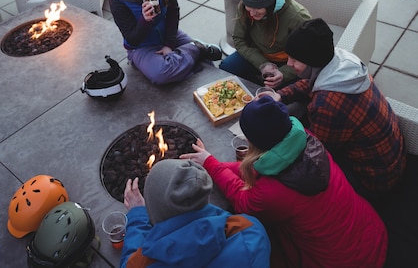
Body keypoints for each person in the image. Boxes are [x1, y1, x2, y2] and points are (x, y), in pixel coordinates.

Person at [182, 96, 388, 268]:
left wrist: (211, 164)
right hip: (372, 232)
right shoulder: (306, 138)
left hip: (346, 261)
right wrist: (211, 162)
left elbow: (243, 200)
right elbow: (259, 167)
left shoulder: (272, 193)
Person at [277, 17, 407, 200]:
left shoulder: (326, 106)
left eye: (295, 60)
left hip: (373, 180)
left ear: (313, 62)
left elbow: (318, 153)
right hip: (394, 160)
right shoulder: (344, 66)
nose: (289, 64)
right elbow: (312, 83)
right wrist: (280, 95)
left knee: (294, 177)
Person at [120, 158, 271, 268]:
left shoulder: (142, 263)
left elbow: (128, 263)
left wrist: (138, 215)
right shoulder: (251, 230)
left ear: (155, 210)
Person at [219, 0, 311, 86]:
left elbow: (307, 56)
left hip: (287, 63)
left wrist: (283, 74)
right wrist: (262, 64)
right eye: (249, 9)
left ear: (270, 5)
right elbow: (239, 39)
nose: (251, 14)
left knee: (277, 93)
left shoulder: (298, 18)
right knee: (226, 67)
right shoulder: (244, 6)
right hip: (256, 56)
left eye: (257, 10)